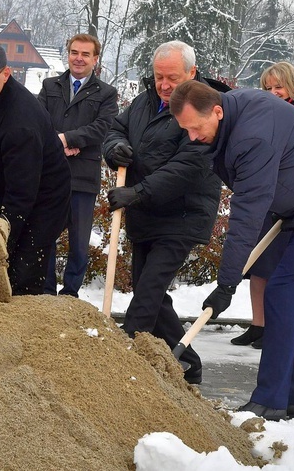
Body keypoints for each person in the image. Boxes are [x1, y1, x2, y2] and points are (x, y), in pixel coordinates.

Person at [169, 80, 294, 421]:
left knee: (280, 295)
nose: (192, 137)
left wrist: (227, 284)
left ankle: (269, 402)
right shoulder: (229, 117)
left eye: (196, 128)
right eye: (185, 130)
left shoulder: (252, 137)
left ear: (217, 111)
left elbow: (247, 215)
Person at [102, 41, 222, 384]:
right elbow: (115, 129)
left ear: (191, 74)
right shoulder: (145, 102)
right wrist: (116, 149)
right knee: (146, 285)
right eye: (159, 77)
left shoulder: (203, 108)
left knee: (148, 289)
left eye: (172, 78)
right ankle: (188, 361)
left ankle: (124, 354)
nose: (165, 85)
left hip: (182, 214)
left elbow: (186, 167)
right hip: (146, 213)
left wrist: (135, 192)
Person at [0, 42, 71, 295]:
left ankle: (29, 319)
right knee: (12, 267)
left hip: (43, 202)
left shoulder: (21, 123)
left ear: (6, 73)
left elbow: (23, 189)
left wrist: (4, 224)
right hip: (15, 194)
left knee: (24, 274)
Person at [231, 61, 294, 349]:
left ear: (293, 86)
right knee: (258, 266)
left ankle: (275, 329)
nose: (273, 92)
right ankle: (257, 325)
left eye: (278, 87)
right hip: (267, 201)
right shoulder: (264, 113)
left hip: (293, 203)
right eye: (268, 88)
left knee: (278, 269)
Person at [38, 33, 118, 298]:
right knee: (45, 236)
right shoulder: (50, 86)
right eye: (74, 52)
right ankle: (47, 292)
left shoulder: (106, 93)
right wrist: (57, 143)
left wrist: (69, 138)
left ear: (95, 59)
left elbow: (102, 128)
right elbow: (38, 123)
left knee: (79, 242)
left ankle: (71, 293)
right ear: (68, 54)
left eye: (85, 54)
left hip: (83, 177)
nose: (79, 58)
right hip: (50, 174)